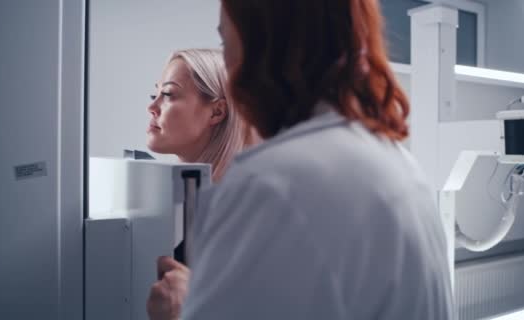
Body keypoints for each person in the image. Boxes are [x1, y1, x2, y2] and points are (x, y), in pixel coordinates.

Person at [148, 1, 454, 319]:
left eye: (227, 42)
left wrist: (180, 312)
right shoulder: (401, 163)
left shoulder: (273, 184)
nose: (229, 68)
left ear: (262, 48)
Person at [147, 48, 254, 182]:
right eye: (154, 95)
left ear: (217, 112)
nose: (151, 108)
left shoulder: (245, 196)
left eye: (168, 94)